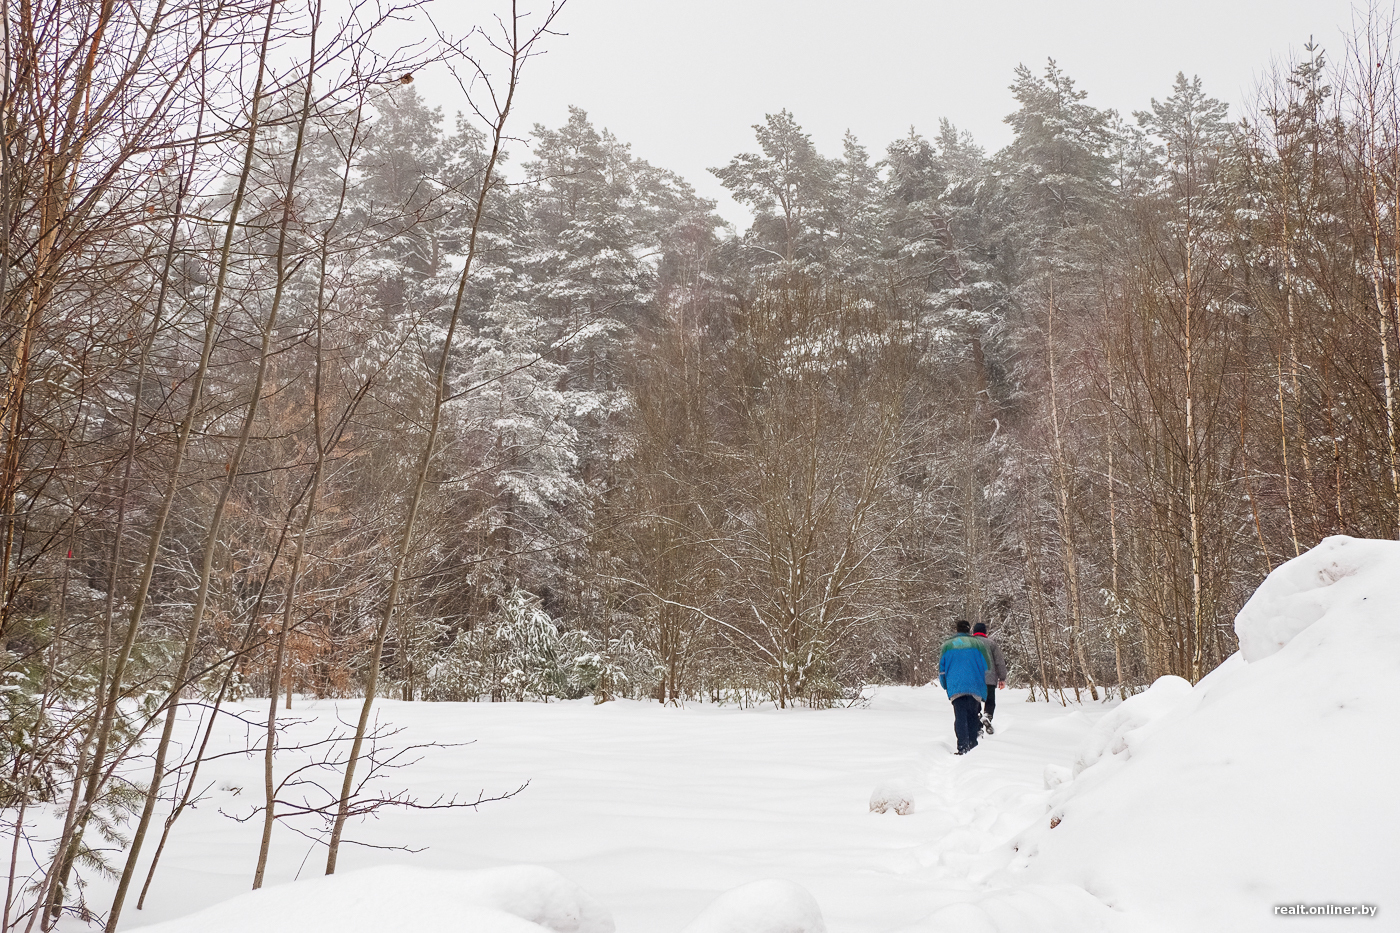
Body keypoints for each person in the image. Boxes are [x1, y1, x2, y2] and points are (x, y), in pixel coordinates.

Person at [938, 619, 992, 754]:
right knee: (973, 716)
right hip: (975, 686)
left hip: (956, 687)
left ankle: (962, 746)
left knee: (960, 717)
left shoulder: (947, 646)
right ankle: (973, 745)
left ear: (957, 629)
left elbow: (942, 671)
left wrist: (946, 686)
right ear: (969, 630)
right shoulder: (978, 644)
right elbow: (987, 666)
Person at [972, 621, 1008, 735]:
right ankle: (987, 716)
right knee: (990, 700)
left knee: (975, 701)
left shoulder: (969, 644)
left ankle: (977, 723)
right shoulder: (991, 644)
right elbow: (999, 662)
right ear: (984, 632)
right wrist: (1002, 678)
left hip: (974, 679)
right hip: (990, 678)